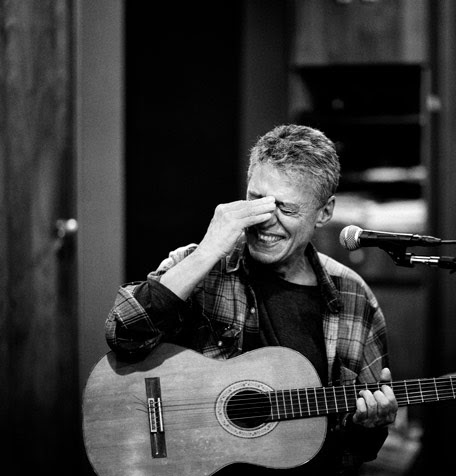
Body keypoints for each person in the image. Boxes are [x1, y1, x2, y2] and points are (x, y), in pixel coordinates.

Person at [105, 124, 398, 475]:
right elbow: (123, 334)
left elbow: (356, 451)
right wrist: (208, 251)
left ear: (324, 212)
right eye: (257, 201)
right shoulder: (198, 265)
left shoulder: (353, 297)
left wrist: (368, 425)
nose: (265, 220)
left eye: (286, 209)